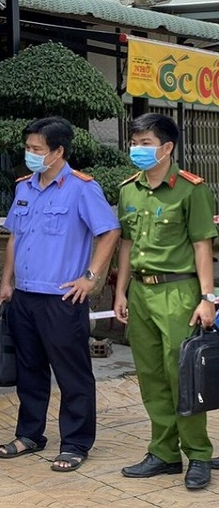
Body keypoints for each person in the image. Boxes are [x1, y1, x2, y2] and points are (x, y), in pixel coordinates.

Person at [0, 116, 120, 473]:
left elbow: (109, 232)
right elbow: (13, 237)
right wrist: (7, 282)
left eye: (37, 149)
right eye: (28, 148)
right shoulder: (24, 187)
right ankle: (30, 434)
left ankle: (76, 442)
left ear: (58, 151)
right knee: (29, 370)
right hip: (24, 297)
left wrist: (90, 278)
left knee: (72, 374)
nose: (30, 154)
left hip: (63, 299)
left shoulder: (82, 188)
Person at [114, 113, 216, 490]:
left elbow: (202, 246)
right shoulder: (129, 190)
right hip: (140, 292)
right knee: (152, 376)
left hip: (179, 292)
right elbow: (126, 243)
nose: (136, 150)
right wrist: (120, 290)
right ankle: (164, 453)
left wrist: (208, 298)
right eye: (134, 143)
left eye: (145, 144)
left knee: (182, 377)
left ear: (167, 147)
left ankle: (199, 455)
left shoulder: (192, 190)